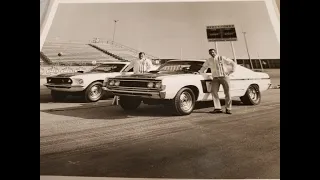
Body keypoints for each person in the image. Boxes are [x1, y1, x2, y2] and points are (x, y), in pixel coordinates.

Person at [199, 49, 236, 114]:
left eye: (213, 52)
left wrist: (231, 71)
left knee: (227, 93)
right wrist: (200, 72)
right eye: (210, 53)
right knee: (214, 92)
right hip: (215, 78)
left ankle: (228, 108)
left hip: (224, 77)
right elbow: (204, 67)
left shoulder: (222, 58)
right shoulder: (209, 60)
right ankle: (218, 108)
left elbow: (233, 63)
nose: (212, 53)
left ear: (215, 52)